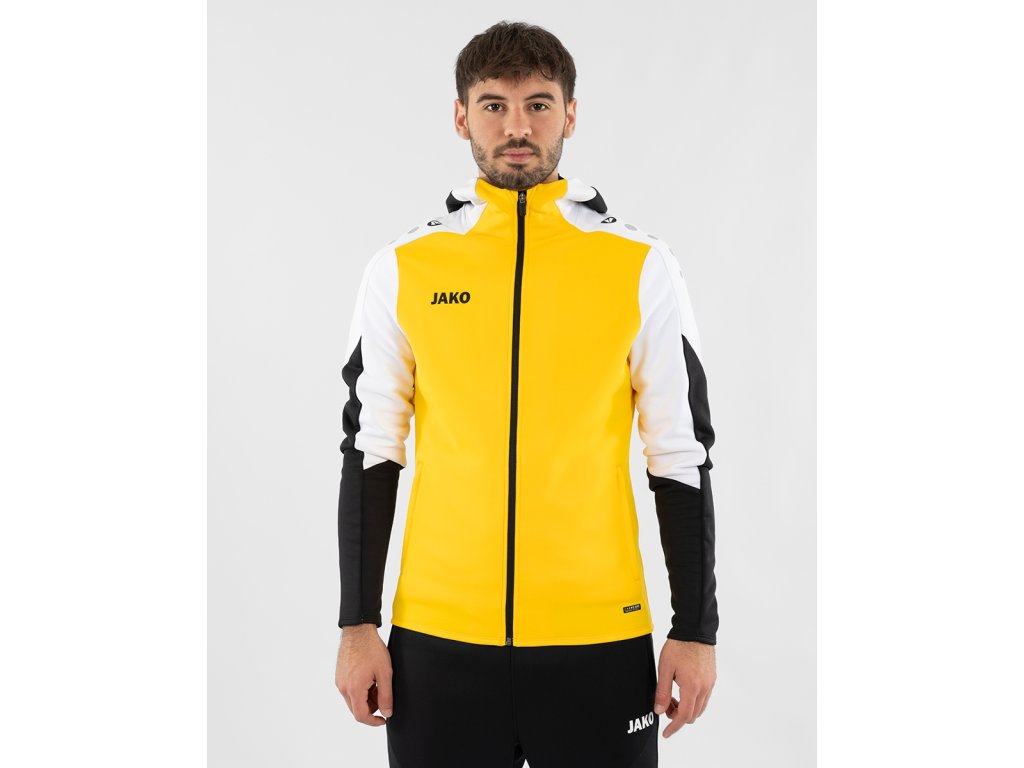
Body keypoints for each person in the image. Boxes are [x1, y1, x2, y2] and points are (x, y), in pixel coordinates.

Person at [334, 20, 718, 768]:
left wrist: (695, 630)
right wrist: (357, 626)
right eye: (494, 105)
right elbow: (371, 450)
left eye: (539, 104)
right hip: (437, 644)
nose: (518, 127)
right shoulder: (403, 268)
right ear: (460, 116)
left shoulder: (640, 265)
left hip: (600, 640)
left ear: (570, 113)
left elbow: (680, 453)